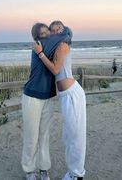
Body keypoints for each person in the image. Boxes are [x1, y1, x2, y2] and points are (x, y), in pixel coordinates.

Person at [33, 21, 86, 180]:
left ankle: (77, 174)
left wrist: (40, 54)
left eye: (59, 30)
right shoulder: (55, 46)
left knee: (76, 135)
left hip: (71, 94)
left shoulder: (62, 45)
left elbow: (56, 69)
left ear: (64, 31)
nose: (56, 33)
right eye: (53, 31)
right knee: (69, 135)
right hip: (65, 95)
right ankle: (73, 172)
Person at [21, 23, 72, 180]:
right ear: (37, 38)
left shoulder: (50, 46)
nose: (47, 35)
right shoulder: (39, 45)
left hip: (48, 97)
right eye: (43, 34)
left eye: (47, 32)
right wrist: (66, 30)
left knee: (44, 136)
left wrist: (64, 32)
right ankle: (30, 171)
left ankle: (44, 169)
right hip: (32, 97)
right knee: (31, 137)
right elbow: (67, 34)